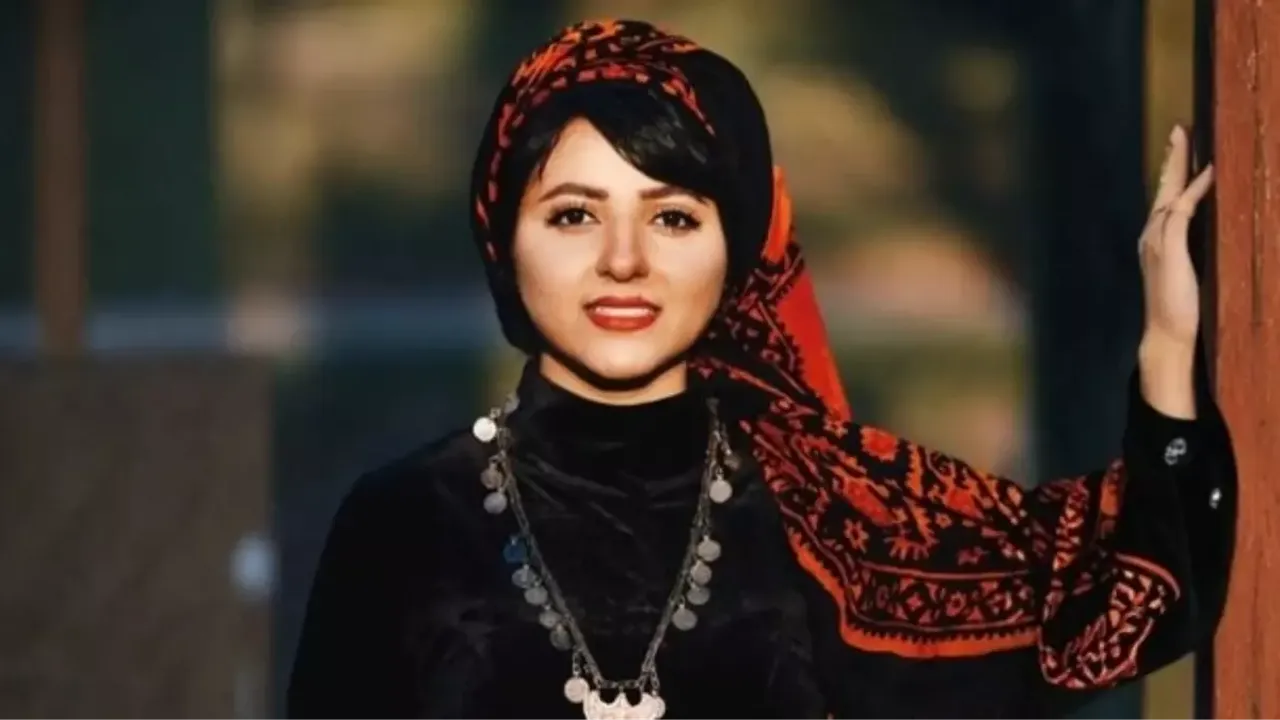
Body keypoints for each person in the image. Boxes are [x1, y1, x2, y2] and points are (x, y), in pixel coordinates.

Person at [287, 19, 1236, 720]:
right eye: (574, 215)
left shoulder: (828, 515)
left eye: (673, 218)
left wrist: (1166, 343)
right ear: (505, 240)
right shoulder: (404, 521)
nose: (624, 260)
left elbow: (1128, 591)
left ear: (736, 248)